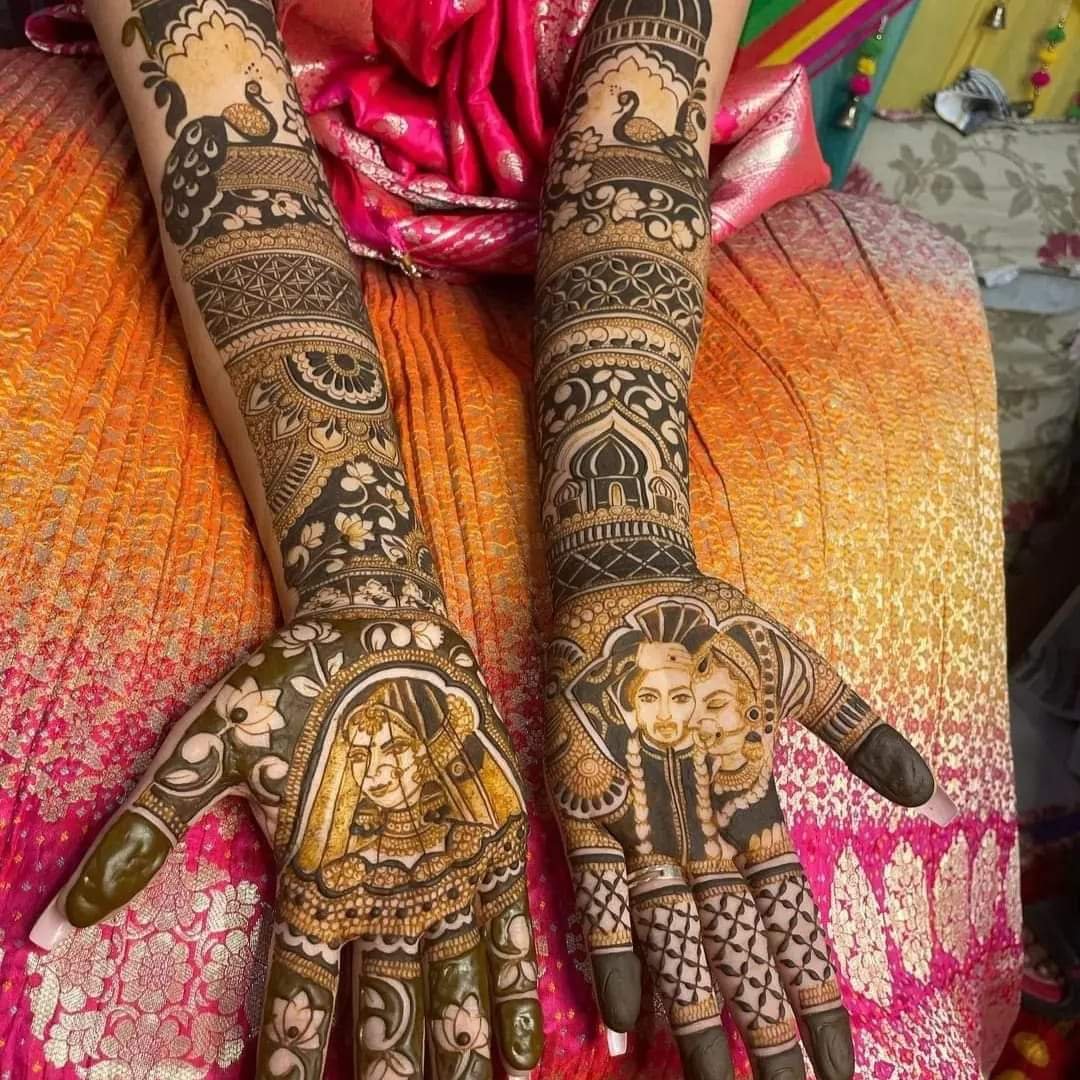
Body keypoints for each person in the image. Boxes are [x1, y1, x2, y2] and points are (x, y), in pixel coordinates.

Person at [25, 1, 957, 1078]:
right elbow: (213, 94)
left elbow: (648, 88)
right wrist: (360, 571)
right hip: (228, 125)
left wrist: (625, 542)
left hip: (619, 203)